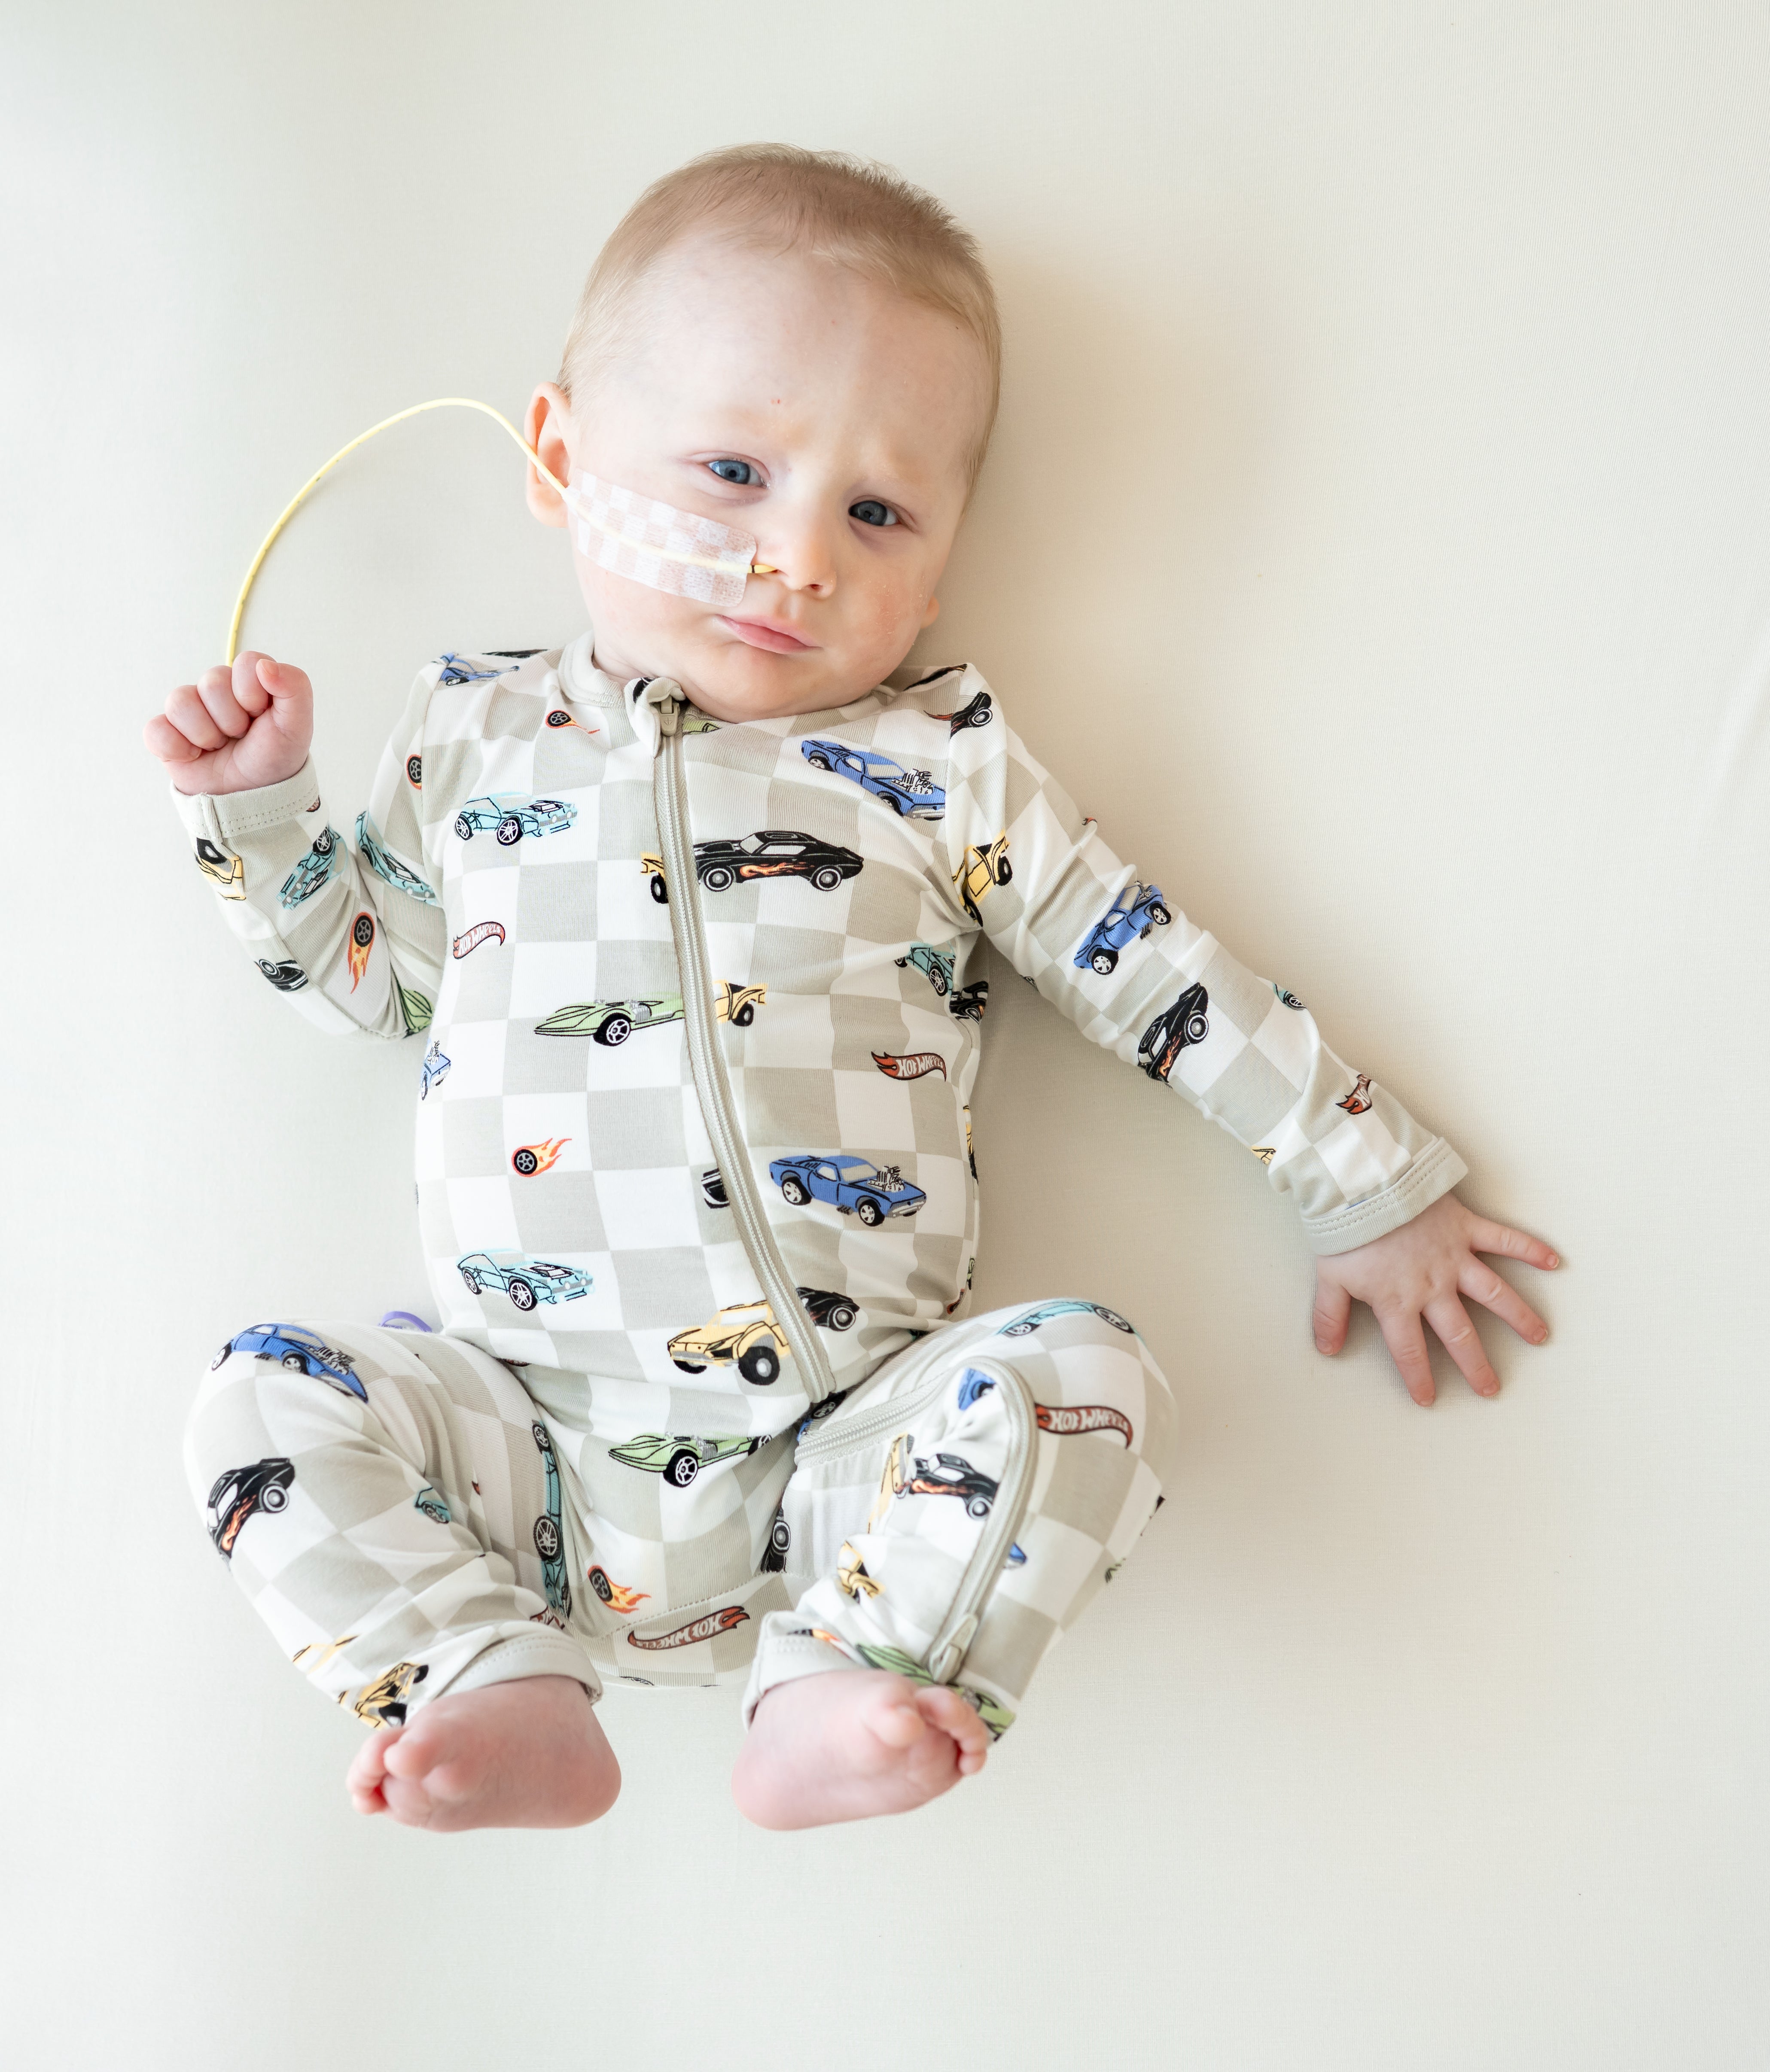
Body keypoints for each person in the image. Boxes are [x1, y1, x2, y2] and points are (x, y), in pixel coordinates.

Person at [146, 144, 1555, 1834]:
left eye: (875, 514)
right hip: (522, 1429)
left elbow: (1145, 962)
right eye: (732, 473)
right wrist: (261, 816)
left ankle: (851, 1672)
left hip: (855, 1456)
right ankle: (476, 1670)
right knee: (259, 1400)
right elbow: (373, 987)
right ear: (562, 460)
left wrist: (1363, 1181)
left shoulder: (935, 765)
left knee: (1088, 1376)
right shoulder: (476, 733)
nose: (797, 556)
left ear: (935, 569)